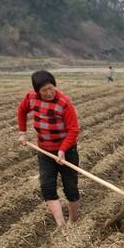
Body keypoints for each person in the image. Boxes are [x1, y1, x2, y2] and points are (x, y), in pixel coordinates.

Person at [17, 70, 81, 229]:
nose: (48, 93)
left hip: (67, 152)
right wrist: (22, 133)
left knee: (70, 187)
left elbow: (73, 130)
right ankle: (60, 224)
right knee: (47, 186)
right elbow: (21, 111)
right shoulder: (30, 99)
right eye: (44, 90)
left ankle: (73, 221)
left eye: (51, 88)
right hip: (45, 151)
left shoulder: (63, 103)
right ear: (37, 91)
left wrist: (62, 150)